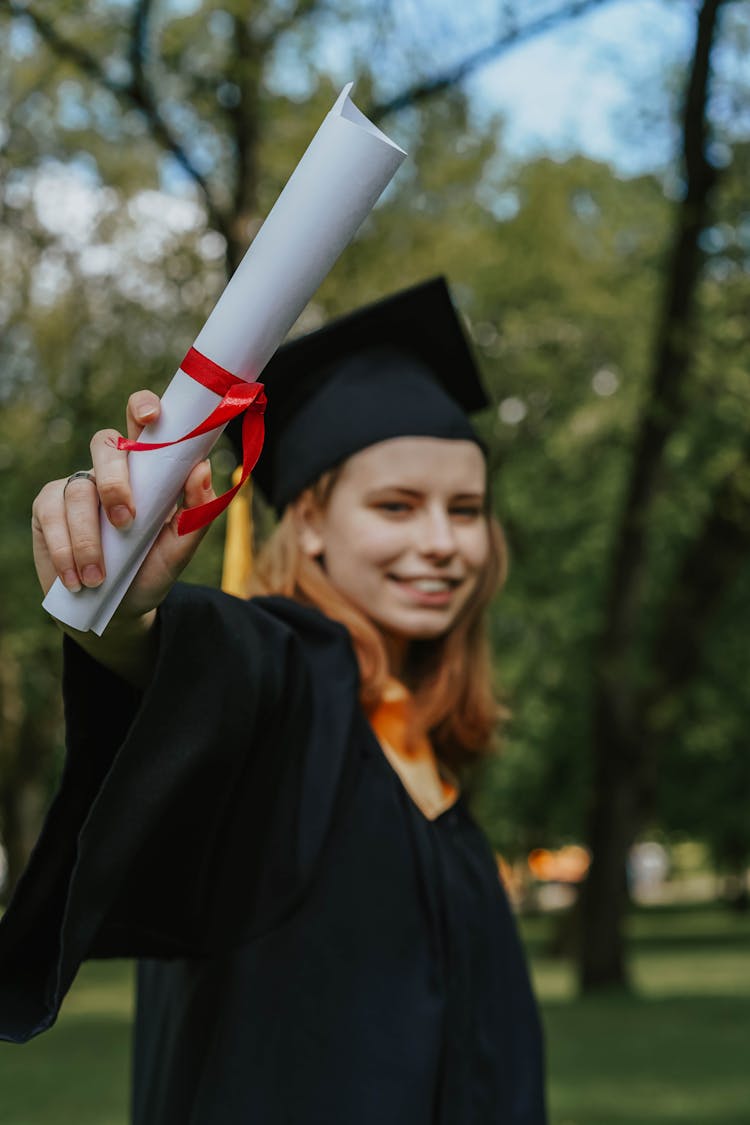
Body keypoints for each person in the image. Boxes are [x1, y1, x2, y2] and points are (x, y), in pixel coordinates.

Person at [0, 278, 547, 1124]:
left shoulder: (424, 744)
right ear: (312, 519)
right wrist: (115, 603)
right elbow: (187, 669)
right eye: (396, 506)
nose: (441, 542)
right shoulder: (292, 687)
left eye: (466, 509)